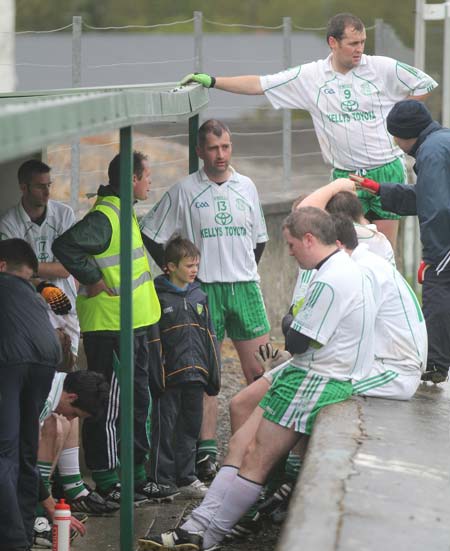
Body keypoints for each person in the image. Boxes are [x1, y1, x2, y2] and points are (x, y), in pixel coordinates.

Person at [139, 206, 376, 551]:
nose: (290, 252)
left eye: (293, 245)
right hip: (304, 370)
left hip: (320, 377)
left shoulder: (333, 279)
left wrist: (290, 320)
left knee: (256, 458)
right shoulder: (332, 269)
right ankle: (195, 525)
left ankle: (210, 537)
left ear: (310, 239)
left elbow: (295, 340)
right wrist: (292, 320)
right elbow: (294, 328)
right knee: (239, 444)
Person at [180, 13, 437, 248]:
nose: (359, 49)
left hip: (386, 170)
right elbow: (261, 84)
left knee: (383, 252)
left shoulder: (381, 67)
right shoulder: (311, 76)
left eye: (362, 42)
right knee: (344, 249)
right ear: (333, 43)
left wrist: (400, 115)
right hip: (344, 176)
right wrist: (213, 81)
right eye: (352, 43)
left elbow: (424, 83)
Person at [141, 119, 270, 479]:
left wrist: (240, 266)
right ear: (199, 152)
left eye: (226, 147)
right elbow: (150, 231)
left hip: (244, 287)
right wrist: (175, 272)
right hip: (205, 291)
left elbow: (259, 239)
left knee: (261, 371)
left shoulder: (247, 186)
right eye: (213, 148)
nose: (220, 155)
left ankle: (262, 443)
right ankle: (206, 453)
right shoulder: (184, 190)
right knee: (205, 375)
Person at [52, 151, 175, 505]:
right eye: (147, 175)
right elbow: (66, 245)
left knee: (138, 401)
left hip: (135, 323)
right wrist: (91, 279)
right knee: (108, 405)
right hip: (111, 327)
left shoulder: (123, 210)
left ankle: (135, 476)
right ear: (132, 180)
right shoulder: (106, 215)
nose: (150, 181)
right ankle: (107, 480)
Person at [350, 100, 450, 384]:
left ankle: (435, 365)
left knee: (437, 292)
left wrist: (434, 258)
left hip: (444, 244)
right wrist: (380, 189)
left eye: (394, 135)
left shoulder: (431, 153)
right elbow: (426, 195)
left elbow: (437, 208)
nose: (394, 141)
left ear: (406, 134)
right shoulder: (441, 142)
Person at [0, 239, 61, 551]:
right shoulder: (33, 295)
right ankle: (22, 543)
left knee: (3, 453)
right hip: (45, 358)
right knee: (25, 453)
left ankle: (10, 549)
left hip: (10, 360)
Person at [150, 236, 220, 498]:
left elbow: (210, 336)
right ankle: (161, 480)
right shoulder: (157, 296)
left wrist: (212, 372)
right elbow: (154, 340)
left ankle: (187, 477)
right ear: (170, 266)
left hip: (196, 374)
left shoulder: (199, 295)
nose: (194, 270)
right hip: (169, 377)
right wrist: (158, 373)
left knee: (190, 427)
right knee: (165, 427)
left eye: (196, 265)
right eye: (189, 265)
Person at [333, 213, 427, 399]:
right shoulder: (366, 262)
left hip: (396, 372)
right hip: (383, 363)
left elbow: (353, 330)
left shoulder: (365, 270)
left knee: (324, 382)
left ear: (337, 245)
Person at [0, 159, 80, 360]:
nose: (47, 192)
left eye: (48, 185)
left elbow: (66, 268)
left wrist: (27, 268)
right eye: (40, 186)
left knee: (67, 369)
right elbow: (9, 272)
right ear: (23, 187)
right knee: (42, 370)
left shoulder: (64, 214)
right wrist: (44, 271)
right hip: (30, 309)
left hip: (65, 307)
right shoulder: (8, 222)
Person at [34, 369, 115, 546]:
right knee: (55, 423)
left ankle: (50, 499)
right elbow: (21, 459)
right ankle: (34, 512)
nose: (71, 418)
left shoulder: (57, 381)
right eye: (75, 413)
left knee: (59, 422)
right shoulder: (43, 402)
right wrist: (51, 508)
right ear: (71, 397)